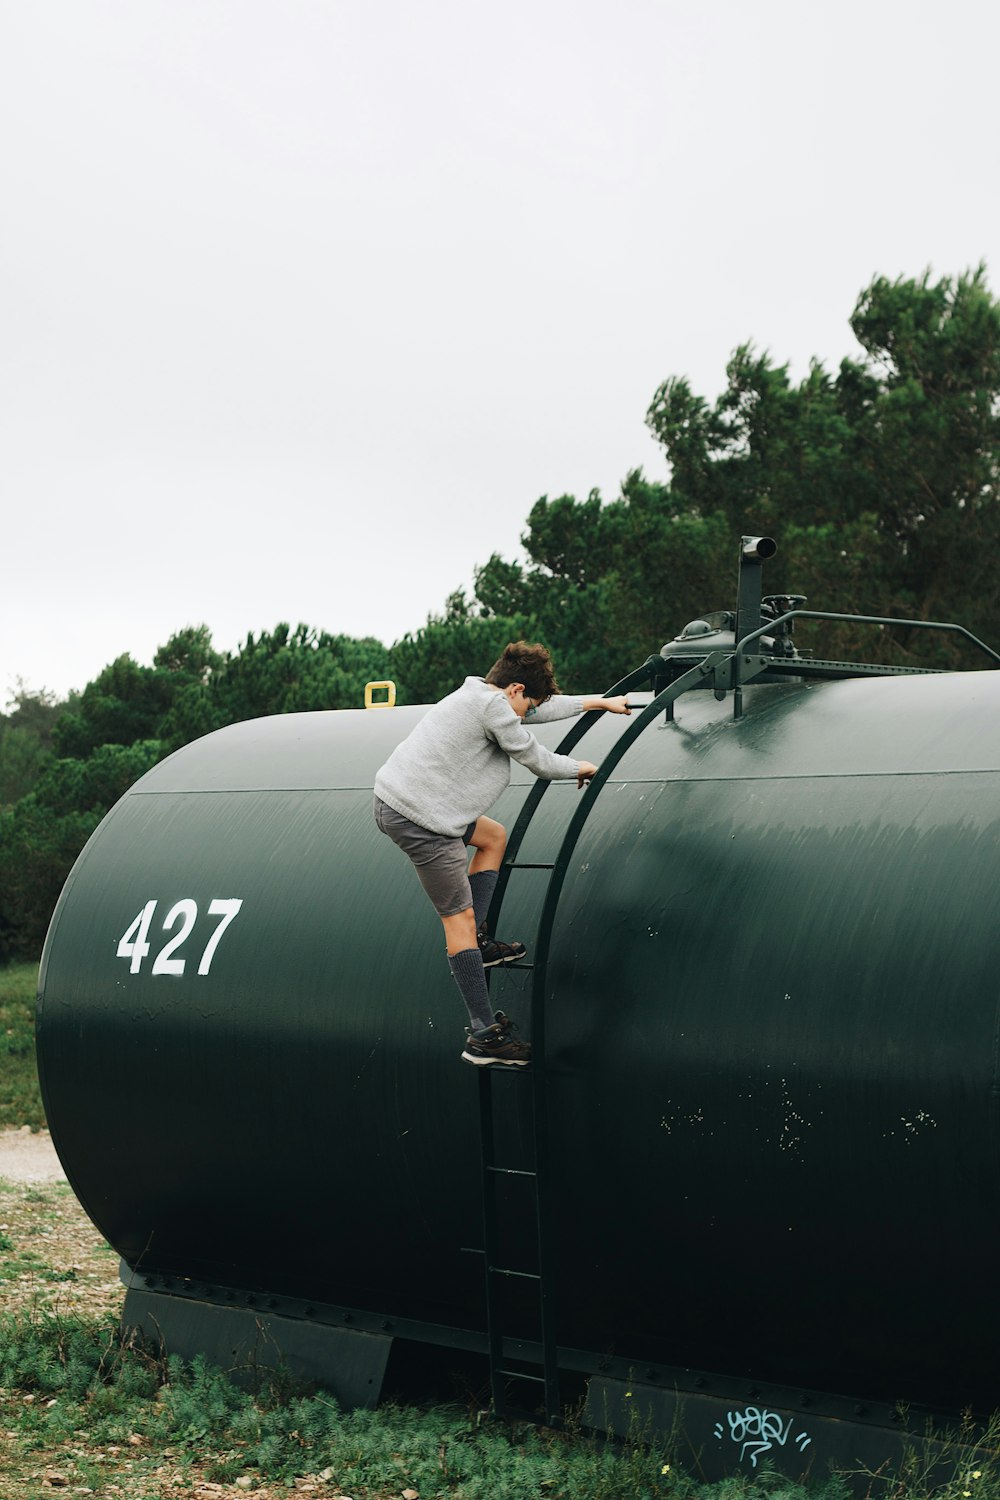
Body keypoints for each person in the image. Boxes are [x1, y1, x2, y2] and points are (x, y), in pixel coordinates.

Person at [373, 641, 631, 1068]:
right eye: (526, 702)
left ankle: (480, 941)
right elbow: (536, 758)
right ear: (513, 688)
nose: (528, 712)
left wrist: (599, 703)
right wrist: (580, 767)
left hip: (406, 802)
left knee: (492, 837)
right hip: (421, 819)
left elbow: (534, 711)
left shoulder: (479, 693)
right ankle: (483, 1035)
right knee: (458, 921)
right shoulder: (495, 708)